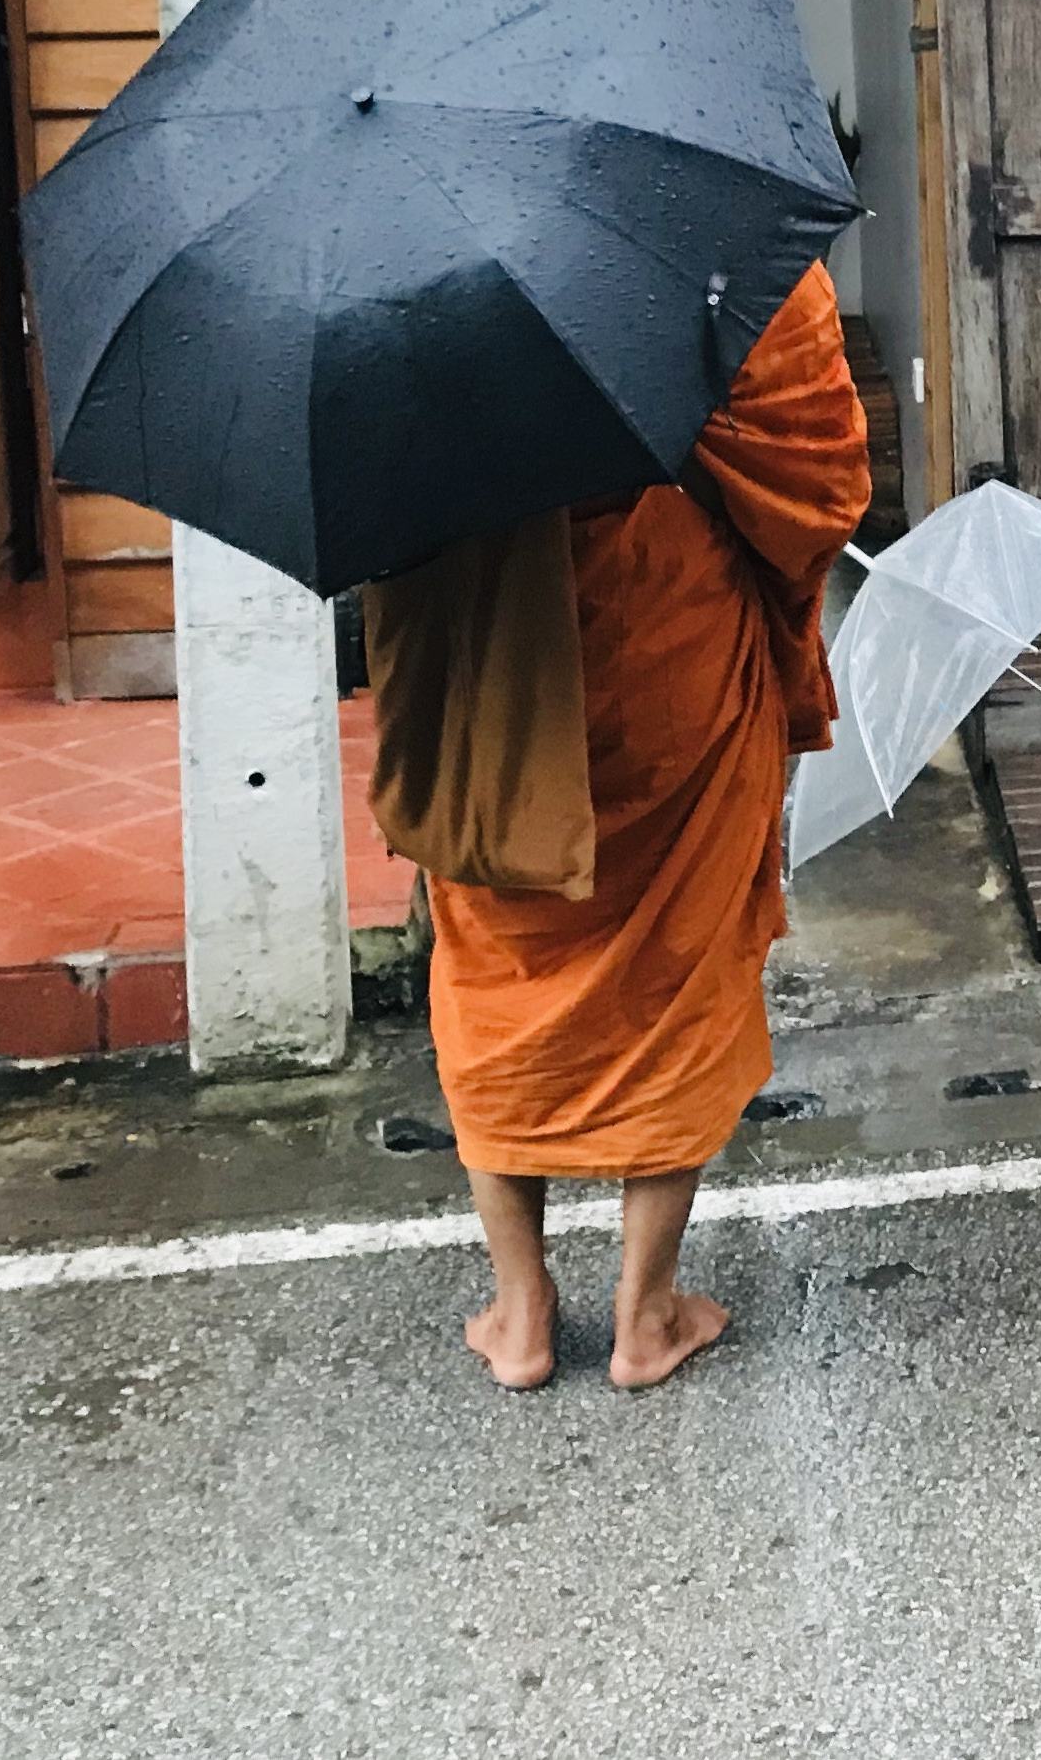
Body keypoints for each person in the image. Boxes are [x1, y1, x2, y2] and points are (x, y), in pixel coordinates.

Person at [367, 262, 871, 1391]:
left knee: (499, 964)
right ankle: (646, 1315)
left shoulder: (422, 264)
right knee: (675, 966)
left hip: (494, 647)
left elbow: (374, 479)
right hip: (672, 633)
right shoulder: (733, 251)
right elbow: (821, 480)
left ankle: (521, 1308)